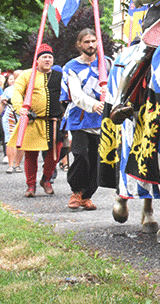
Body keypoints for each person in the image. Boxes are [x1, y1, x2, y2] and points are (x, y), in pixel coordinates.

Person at [60, 28, 112, 210]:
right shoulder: (71, 67)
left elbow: (115, 86)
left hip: (101, 120)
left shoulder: (106, 64)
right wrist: (93, 104)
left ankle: (87, 195)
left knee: (97, 160)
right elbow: (75, 94)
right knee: (81, 156)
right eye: (87, 42)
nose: (91, 45)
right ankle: (76, 192)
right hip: (79, 118)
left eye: (93, 41)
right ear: (79, 44)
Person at [8, 45, 64, 197]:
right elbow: (17, 93)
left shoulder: (59, 76)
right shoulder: (27, 75)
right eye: (44, 57)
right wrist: (21, 108)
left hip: (53, 122)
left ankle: (46, 179)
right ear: (37, 60)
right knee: (31, 155)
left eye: (50, 57)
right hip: (32, 121)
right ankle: (30, 185)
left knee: (55, 153)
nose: (47, 60)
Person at [0, 72, 22, 172]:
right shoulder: (8, 90)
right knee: (9, 140)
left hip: (22, 117)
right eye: (16, 77)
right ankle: (10, 164)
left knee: (21, 140)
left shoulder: (28, 90)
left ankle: (17, 165)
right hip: (10, 117)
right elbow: (2, 105)